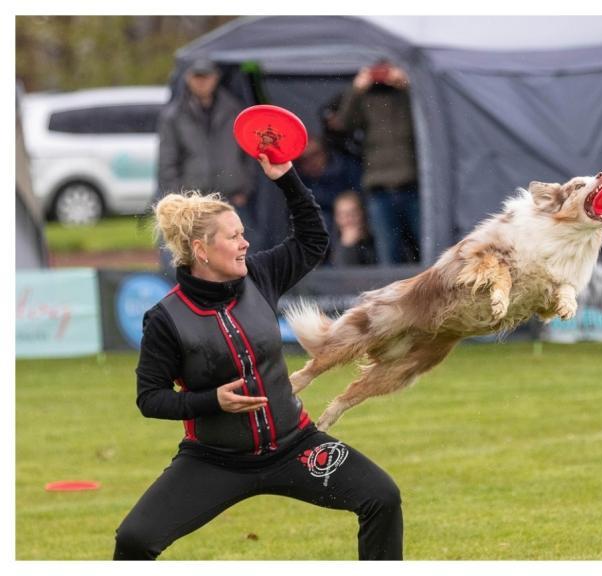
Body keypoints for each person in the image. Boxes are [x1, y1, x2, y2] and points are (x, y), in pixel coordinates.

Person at [113, 154, 403, 560]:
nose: (245, 243)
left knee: (382, 497)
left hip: (295, 447)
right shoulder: (165, 319)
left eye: (242, 233)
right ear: (201, 249)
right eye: (233, 237)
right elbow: (150, 398)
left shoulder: (259, 275)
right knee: (134, 541)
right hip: (216, 461)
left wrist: (286, 178)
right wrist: (211, 401)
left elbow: (312, 240)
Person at [156, 57, 256, 277]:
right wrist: (179, 199)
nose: (201, 82)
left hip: (231, 198)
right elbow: (167, 163)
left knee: (240, 257)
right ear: (188, 78)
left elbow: (249, 153)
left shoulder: (234, 110)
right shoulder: (174, 116)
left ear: (216, 78)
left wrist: (245, 187)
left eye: (206, 76)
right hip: (195, 203)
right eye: (197, 76)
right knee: (191, 260)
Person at [334, 60, 420, 265]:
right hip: (379, 188)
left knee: (427, 246)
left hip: (411, 185)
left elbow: (430, 116)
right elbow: (342, 124)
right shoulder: (365, 99)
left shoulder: (405, 96)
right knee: (388, 253)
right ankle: (391, 297)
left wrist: (410, 84)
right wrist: (356, 89)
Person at [294, 137, 362, 250]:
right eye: (304, 159)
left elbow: (358, 198)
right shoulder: (300, 181)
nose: (311, 162)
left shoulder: (346, 168)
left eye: (314, 155)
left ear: (325, 153)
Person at [331, 190, 377, 266]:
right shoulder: (329, 245)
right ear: (336, 218)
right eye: (342, 214)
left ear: (363, 213)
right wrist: (347, 247)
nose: (348, 219)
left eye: (353, 213)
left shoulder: (377, 241)